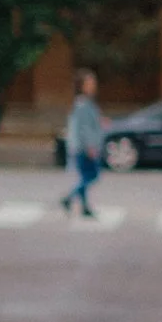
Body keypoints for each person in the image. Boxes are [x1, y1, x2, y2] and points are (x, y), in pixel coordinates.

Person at [60, 69, 104, 218]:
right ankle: (69, 198)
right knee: (93, 176)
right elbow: (84, 128)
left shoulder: (84, 103)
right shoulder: (83, 103)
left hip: (83, 146)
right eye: (90, 83)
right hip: (84, 148)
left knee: (85, 176)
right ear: (82, 85)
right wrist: (90, 146)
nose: (93, 85)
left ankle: (85, 207)